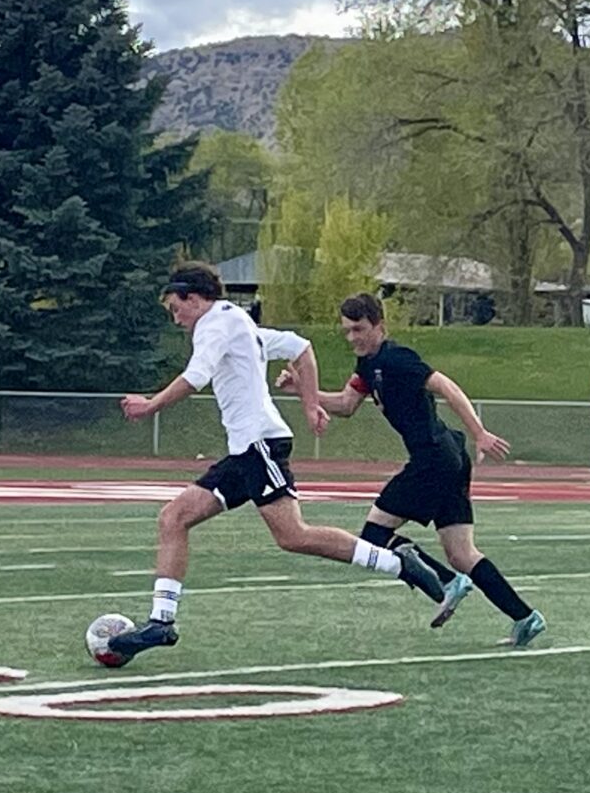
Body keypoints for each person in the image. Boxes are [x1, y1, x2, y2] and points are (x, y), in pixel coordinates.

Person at [109, 263, 443, 663]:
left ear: (194, 299)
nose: (174, 316)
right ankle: (161, 622)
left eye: (175, 306)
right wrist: (310, 405)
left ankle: (398, 563)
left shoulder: (215, 324)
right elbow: (300, 347)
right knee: (173, 518)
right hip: (245, 449)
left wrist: (151, 405)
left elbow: (196, 376)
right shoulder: (236, 322)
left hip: (259, 444)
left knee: (293, 536)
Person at [303, 294, 547, 647]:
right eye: (347, 331)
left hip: (434, 458)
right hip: (448, 456)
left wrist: (480, 433)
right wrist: (303, 390)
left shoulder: (397, 359)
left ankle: (447, 582)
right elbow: (345, 404)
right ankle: (525, 617)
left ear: (379, 327)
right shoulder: (367, 367)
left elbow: (446, 386)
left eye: (359, 329)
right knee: (463, 553)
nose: (352, 337)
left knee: (373, 534)